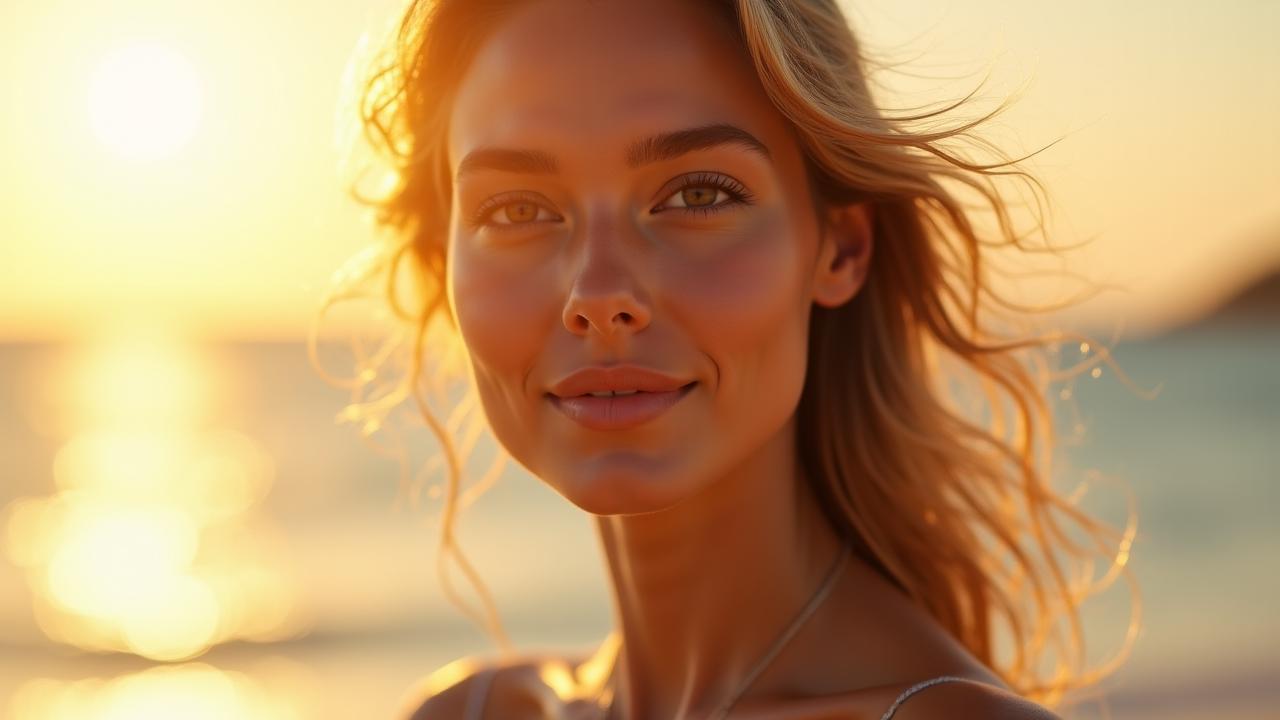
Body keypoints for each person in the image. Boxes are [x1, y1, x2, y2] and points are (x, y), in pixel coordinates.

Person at [331, 0, 1138, 717]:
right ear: (445, 263)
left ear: (840, 248)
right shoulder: (467, 713)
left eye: (697, 194)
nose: (599, 292)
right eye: (517, 209)